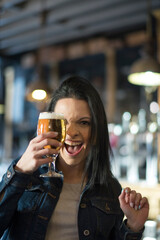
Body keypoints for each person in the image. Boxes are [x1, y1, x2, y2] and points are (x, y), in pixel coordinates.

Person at [0, 75, 149, 240]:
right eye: (62, 122)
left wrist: (133, 227)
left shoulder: (110, 189)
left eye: (83, 122)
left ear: (95, 132)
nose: (71, 133)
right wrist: (19, 172)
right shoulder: (24, 175)